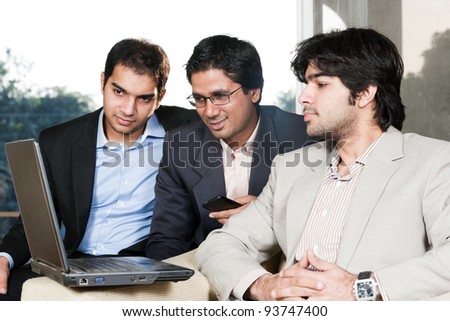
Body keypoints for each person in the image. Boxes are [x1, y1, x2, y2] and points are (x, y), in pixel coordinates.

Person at [196, 28, 450, 301]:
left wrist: (359, 289)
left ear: (364, 92)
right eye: (306, 83)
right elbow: (222, 243)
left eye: (320, 84)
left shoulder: (433, 162)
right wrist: (263, 286)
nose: (303, 97)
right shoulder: (290, 168)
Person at [0, 38, 199, 300]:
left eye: (143, 98)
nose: (128, 110)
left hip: (143, 261)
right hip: (73, 261)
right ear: (103, 82)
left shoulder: (191, 129)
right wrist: (5, 257)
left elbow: (249, 120)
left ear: (159, 97)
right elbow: (34, 222)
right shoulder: (59, 141)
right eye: (119, 92)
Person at [146, 35, 310, 260]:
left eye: (220, 96)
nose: (209, 111)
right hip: (209, 264)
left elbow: (326, 224)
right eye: (200, 99)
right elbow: (168, 238)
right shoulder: (180, 144)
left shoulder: (304, 137)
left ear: (254, 91)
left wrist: (270, 214)